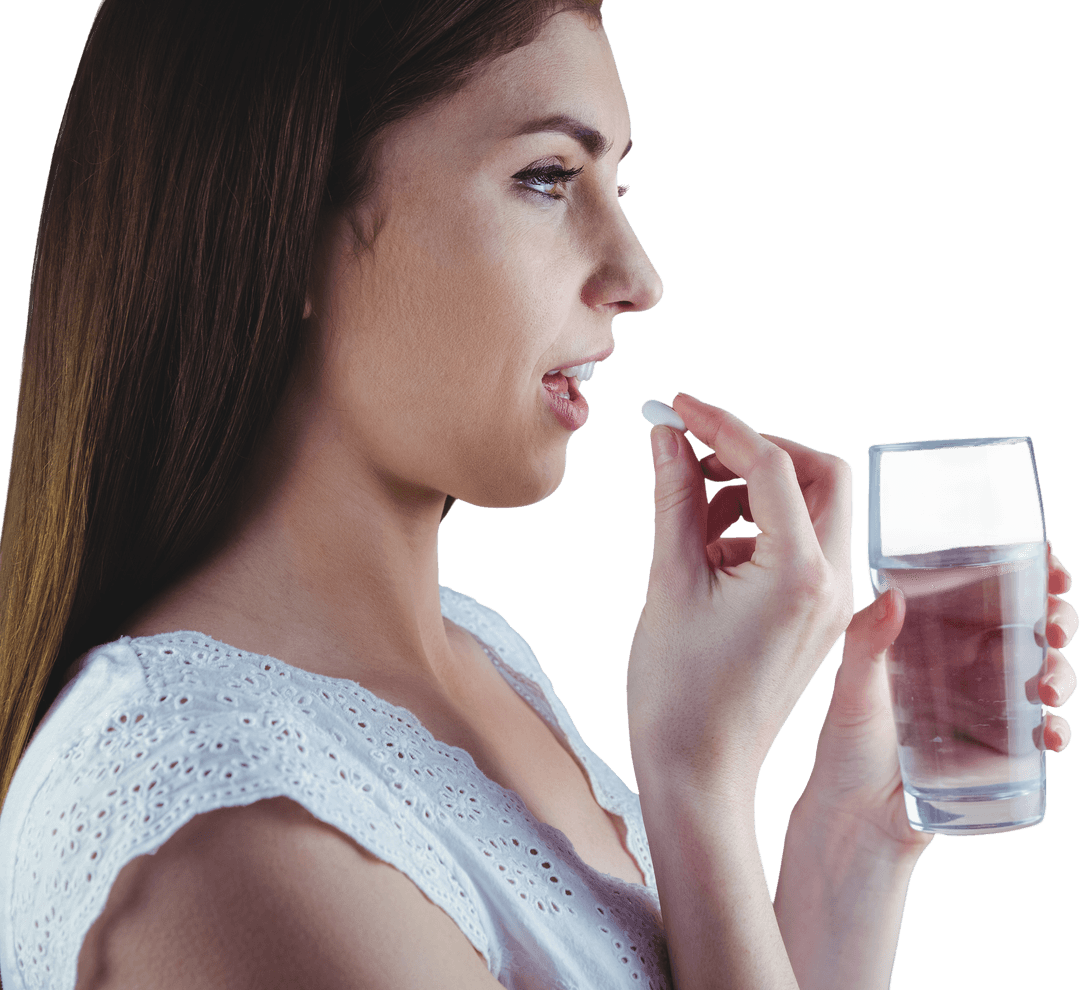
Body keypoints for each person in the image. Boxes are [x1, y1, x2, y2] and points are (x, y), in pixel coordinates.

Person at [0, 1, 1075, 987]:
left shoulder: (479, 657)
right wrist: (695, 785)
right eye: (550, 178)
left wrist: (852, 833)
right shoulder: (231, 840)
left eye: (619, 185)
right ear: (278, 217)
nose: (639, 274)